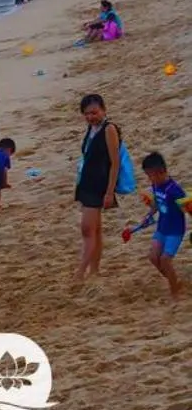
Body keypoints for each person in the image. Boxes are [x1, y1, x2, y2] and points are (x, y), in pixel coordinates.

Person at [74, 93, 125, 282]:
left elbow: (115, 163)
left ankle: (80, 272)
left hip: (98, 186)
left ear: (104, 110)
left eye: (94, 113)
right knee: (95, 230)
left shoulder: (109, 129)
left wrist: (110, 192)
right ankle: (94, 271)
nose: (90, 117)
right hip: (87, 183)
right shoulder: (92, 128)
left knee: (87, 229)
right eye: (86, 114)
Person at [137, 152, 186, 298]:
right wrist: (148, 216)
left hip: (175, 231)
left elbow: (186, 208)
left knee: (165, 260)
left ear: (161, 171)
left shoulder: (175, 190)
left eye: (150, 175)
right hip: (162, 228)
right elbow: (156, 205)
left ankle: (175, 293)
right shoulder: (155, 185)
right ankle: (174, 281)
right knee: (153, 257)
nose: (149, 179)